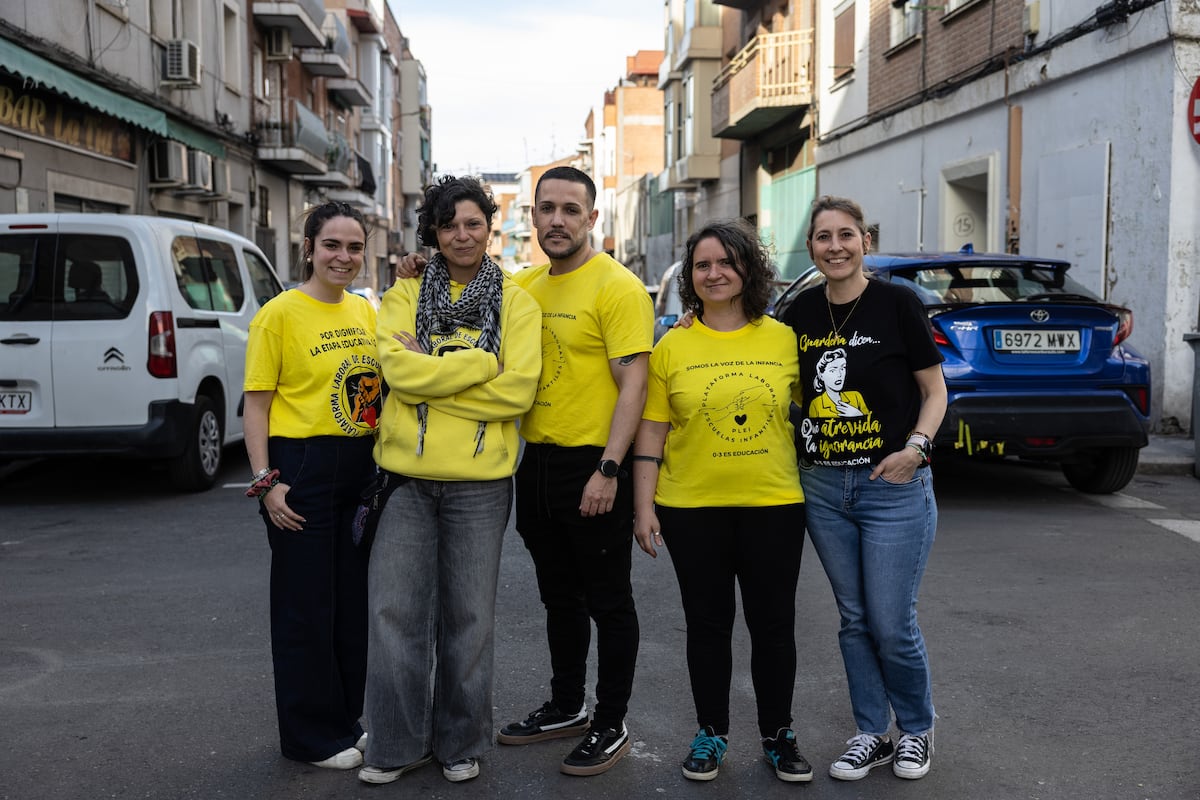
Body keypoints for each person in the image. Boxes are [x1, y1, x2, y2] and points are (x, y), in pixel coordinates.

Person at [393, 165, 653, 776]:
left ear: (593, 218)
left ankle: (611, 721)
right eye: (546, 209)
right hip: (533, 463)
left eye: (570, 209)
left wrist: (610, 468)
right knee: (559, 597)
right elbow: (461, 274)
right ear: (530, 217)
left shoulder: (617, 287)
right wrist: (415, 264)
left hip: (594, 464)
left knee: (608, 600)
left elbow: (634, 383)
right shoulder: (526, 285)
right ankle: (567, 705)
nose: (557, 220)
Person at [359, 176, 541, 786]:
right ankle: (395, 742)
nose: (462, 235)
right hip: (405, 481)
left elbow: (518, 392)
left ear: (489, 227)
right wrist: (479, 366)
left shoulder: (517, 302)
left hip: (481, 486)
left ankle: (460, 742)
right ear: (432, 232)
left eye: (473, 223)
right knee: (393, 615)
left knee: (470, 619)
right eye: (448, 225)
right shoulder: (404, 291)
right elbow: (397, 373)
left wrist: (431, 373)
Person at [631, 219, 812, 783]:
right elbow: (652, 433)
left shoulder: (784, 338)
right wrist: (643, 508)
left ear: (747, 269)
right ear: (691, 276)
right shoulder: (674, 344)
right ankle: (711, 733)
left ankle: (778, 734)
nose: (714, 273)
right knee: (707, 626)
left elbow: (815, 410)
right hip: (691, 510)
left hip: (774, 505)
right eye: (702, 265)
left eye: (725, 262)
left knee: (773, 626)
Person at [777, 195, 947, 782]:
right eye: (823, 237)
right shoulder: (798, 313)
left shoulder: (898, 304)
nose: (835, 247)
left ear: (864, 240)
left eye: (845, 235)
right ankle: (872, 732)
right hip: (823, 487)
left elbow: (935, 391)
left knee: (892, 621)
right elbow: (760, 362)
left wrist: (916, 449)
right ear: (813, 248)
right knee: (853, 618)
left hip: (891, 485)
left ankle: (917, 731)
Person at [243, 201, 381, 771]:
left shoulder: (366, 312)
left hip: (360, 468)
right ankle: (308, 736)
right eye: (332, 245)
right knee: (305, 607)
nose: (343, 257)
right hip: (300, 468)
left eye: (353, 247)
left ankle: (345, 720)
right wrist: (265, 481)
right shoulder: (279, 314)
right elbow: (256, 403)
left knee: (350, 605)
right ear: (309, 248)